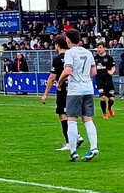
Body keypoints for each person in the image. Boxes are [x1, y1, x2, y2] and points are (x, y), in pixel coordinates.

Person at [56, 30, 100, 162]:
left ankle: (73, 151)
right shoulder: (88, 52)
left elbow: (68, 70)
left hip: (75, 90)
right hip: (88, 88)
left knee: (72, 119)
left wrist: (59, 82)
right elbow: (93, 72)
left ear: (68, 40)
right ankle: (93, 147)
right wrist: (85, 79)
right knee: (88, 119)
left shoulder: (70, 53)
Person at [42, 34, 84, 151]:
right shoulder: (73, 56)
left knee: (63, 115)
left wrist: (45, 94)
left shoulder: (58, 59)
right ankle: (76, 136)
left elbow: (51, 78)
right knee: (71, 115)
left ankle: (71, 141)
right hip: (76, 88)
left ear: (57, 45)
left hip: (64, 90)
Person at [94, 44, 118, 119]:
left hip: (108, 80)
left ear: (104, 48)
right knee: (103, 97)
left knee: (111, 99)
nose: (99, 49)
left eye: (100, 47)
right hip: (99, 80)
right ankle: (104, 113)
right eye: (98, 47)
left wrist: (111, 72)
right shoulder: (95, 58)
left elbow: (113, 67)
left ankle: (109, 108)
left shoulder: (109, 58)